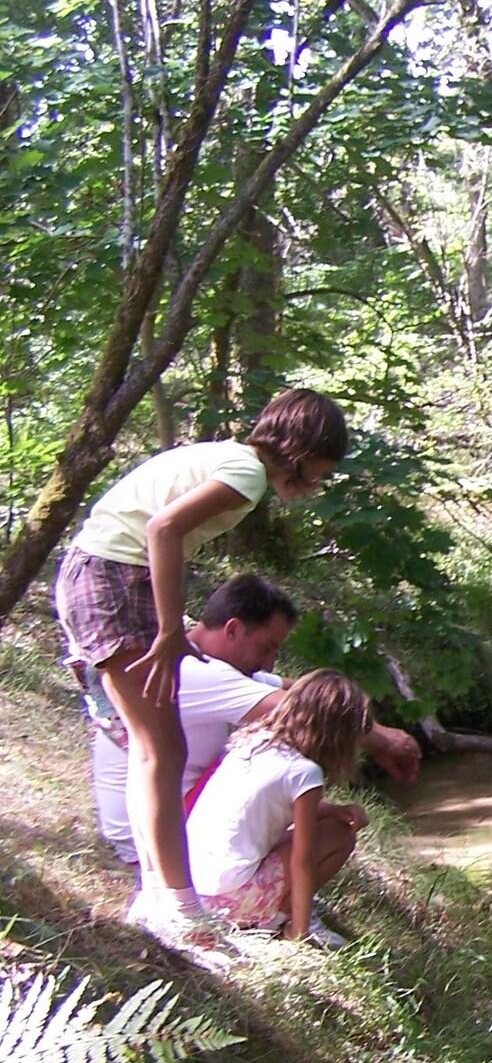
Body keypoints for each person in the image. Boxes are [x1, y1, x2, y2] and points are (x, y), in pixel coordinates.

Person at [52, 388, 349, 937]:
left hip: (109, 575)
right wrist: (168, 629)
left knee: (155, 749)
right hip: (112, 578)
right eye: (317, 471)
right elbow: (162, 529)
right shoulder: (247, 473)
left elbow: (166, 537)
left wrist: (172, 625)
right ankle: (176, 904)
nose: (314, 484)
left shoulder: (231, 462)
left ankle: (160, 896)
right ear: (299, 447)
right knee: (160, 749)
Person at [87, 572, 422, 869]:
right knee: (329, 830)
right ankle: (283, 915)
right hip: (152, 840)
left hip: (167, 819)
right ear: (232, 629)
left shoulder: (196, 656)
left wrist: (378, 731)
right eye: (266, 648)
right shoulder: (196, 672)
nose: (269, 664)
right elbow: (317, 711)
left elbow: (298, 691)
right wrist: (384, 741)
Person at [185, 669, 372, 942]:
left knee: (323, 824)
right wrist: (301, 927)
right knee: (339, 834)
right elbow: (302, 860)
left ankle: (274, 909)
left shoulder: (251, 741)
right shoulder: (304, 772)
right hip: (229, 902)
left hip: (192, 890)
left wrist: (333, 809)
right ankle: (281, 919)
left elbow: (267, 807)